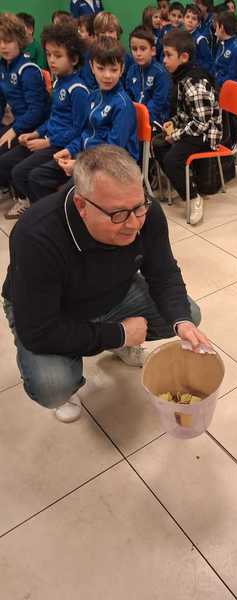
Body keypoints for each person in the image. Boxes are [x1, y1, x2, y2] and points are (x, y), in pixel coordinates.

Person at [2, 144, 207, 424]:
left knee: (187, 313)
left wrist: (180, 321)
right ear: (82, 206)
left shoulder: (145, 213)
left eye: (139, 207)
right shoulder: (36, 235)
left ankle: (117, 340)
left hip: (112, 291)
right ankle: (93, 362)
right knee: (53, 386)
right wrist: (118, 334)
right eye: (117, 214)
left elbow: (163, 272)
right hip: (52, 311)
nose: (134, 224)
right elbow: (39, 331)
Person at [26, 38, 138, 204]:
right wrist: (69, 150)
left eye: (113, 69)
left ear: (122, 69)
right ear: (92, 67)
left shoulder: (123, 105)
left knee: (66, 198)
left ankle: (63, 215)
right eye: (101, 68)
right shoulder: (94, 96)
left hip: (111, 167)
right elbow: (85, 133)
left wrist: (79, 164)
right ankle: (58, 216)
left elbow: (112, 151)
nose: (107, 75)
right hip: (87, 159)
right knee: (36, 177)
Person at [4, 24, 89, 220]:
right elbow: (53, 118)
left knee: (29, 175)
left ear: (74, 59)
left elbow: (78, 129)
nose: (51, 60)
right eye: (49, 54)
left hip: (62, 146)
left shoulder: (77, 89)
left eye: (58, 55)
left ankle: (50, 213)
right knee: (15, 170)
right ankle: (36, 205)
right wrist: (35, 133)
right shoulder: (58, 82)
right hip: (49, 139)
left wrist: (48, 142)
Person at [154, 29, 222, 225]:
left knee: (172, 160)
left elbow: (201, 123)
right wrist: (174, 122)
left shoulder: (195, 83)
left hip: (207, 135)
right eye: (163, 55)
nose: (164, 60)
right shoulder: (182, 77)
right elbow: (186, 113)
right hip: (193, 129)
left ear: (183, 57)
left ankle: (193, 197)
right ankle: (185, 182)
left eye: (168, 55)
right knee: (158, 144)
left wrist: (175, 135)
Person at [0, 13, 49, 204]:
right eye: (0, 41)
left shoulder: (28, 70)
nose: (3, 46)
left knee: (4, 160)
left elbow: (36, 112)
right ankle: (6, 186)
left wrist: (14, 130)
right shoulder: (3, 67)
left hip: (33, 128)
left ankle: (22, 198)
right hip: (18, 123)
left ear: (19, 41)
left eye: (8, 41)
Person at [126, 27, 171, 128]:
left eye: (143, 49)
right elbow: (128, 98)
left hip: (156, 122)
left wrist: (139, 119)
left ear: (153, 51)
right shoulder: (131, 70)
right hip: (135, 119)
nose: (138, 53)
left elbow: (157, 105)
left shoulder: (160, 73)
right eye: (134, 49)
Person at [213, 11, 237, 88]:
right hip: (217, 84)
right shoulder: (222, 43)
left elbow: (232, 77)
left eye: (216, 26)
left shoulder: (236, 49)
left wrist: (215, 81)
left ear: (222, 28)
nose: (215, 30)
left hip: (226, 88)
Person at [183, 4, 213, 74]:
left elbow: (209, 63)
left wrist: (195, 66)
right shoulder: (181, 36)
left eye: (194, 19)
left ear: (198, 23)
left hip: (197, 74)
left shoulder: (200, 40)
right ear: (183, 19)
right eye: (187, 17)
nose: (190, 21)